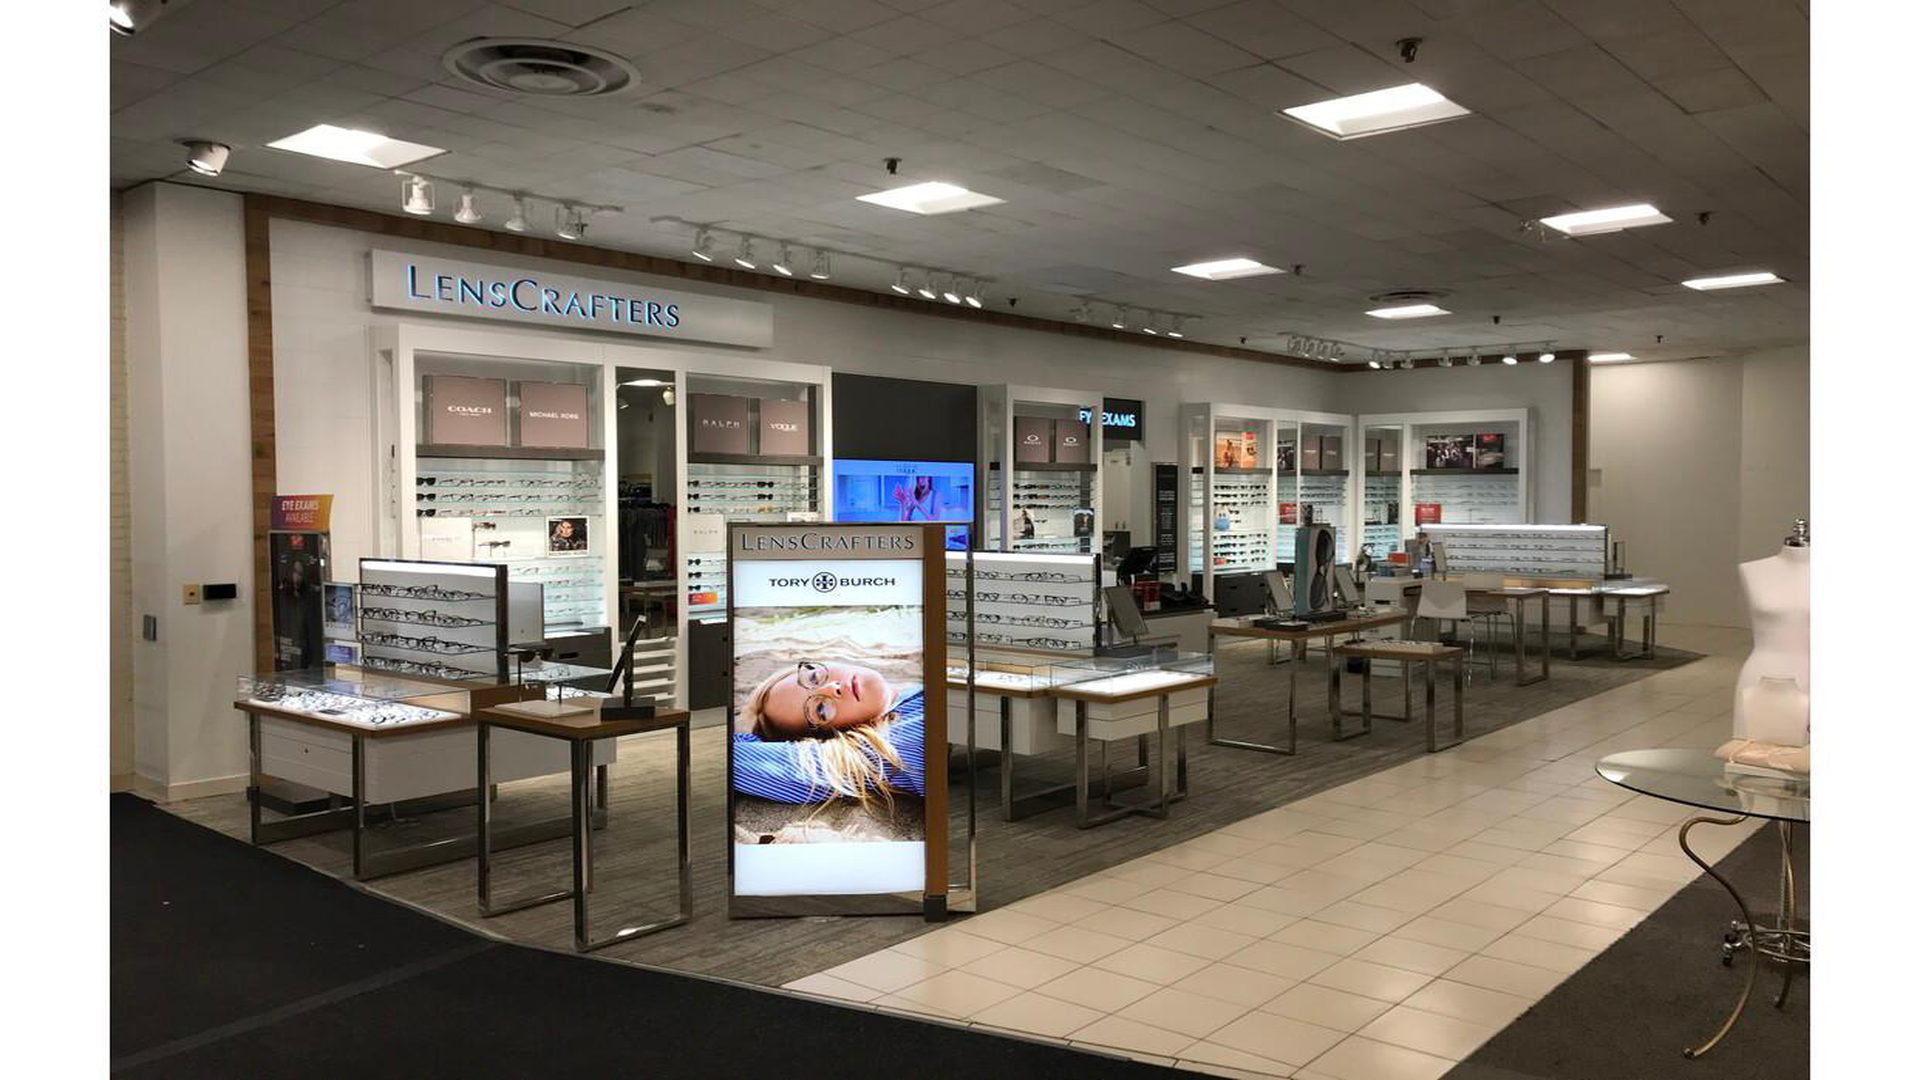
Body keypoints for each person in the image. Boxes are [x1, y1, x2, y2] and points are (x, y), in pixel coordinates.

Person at [731, 660, 925, 810]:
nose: (832, 687)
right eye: (821, 709)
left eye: (814, 677)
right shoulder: (886, 746)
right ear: (836, 736)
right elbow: (733, 757)